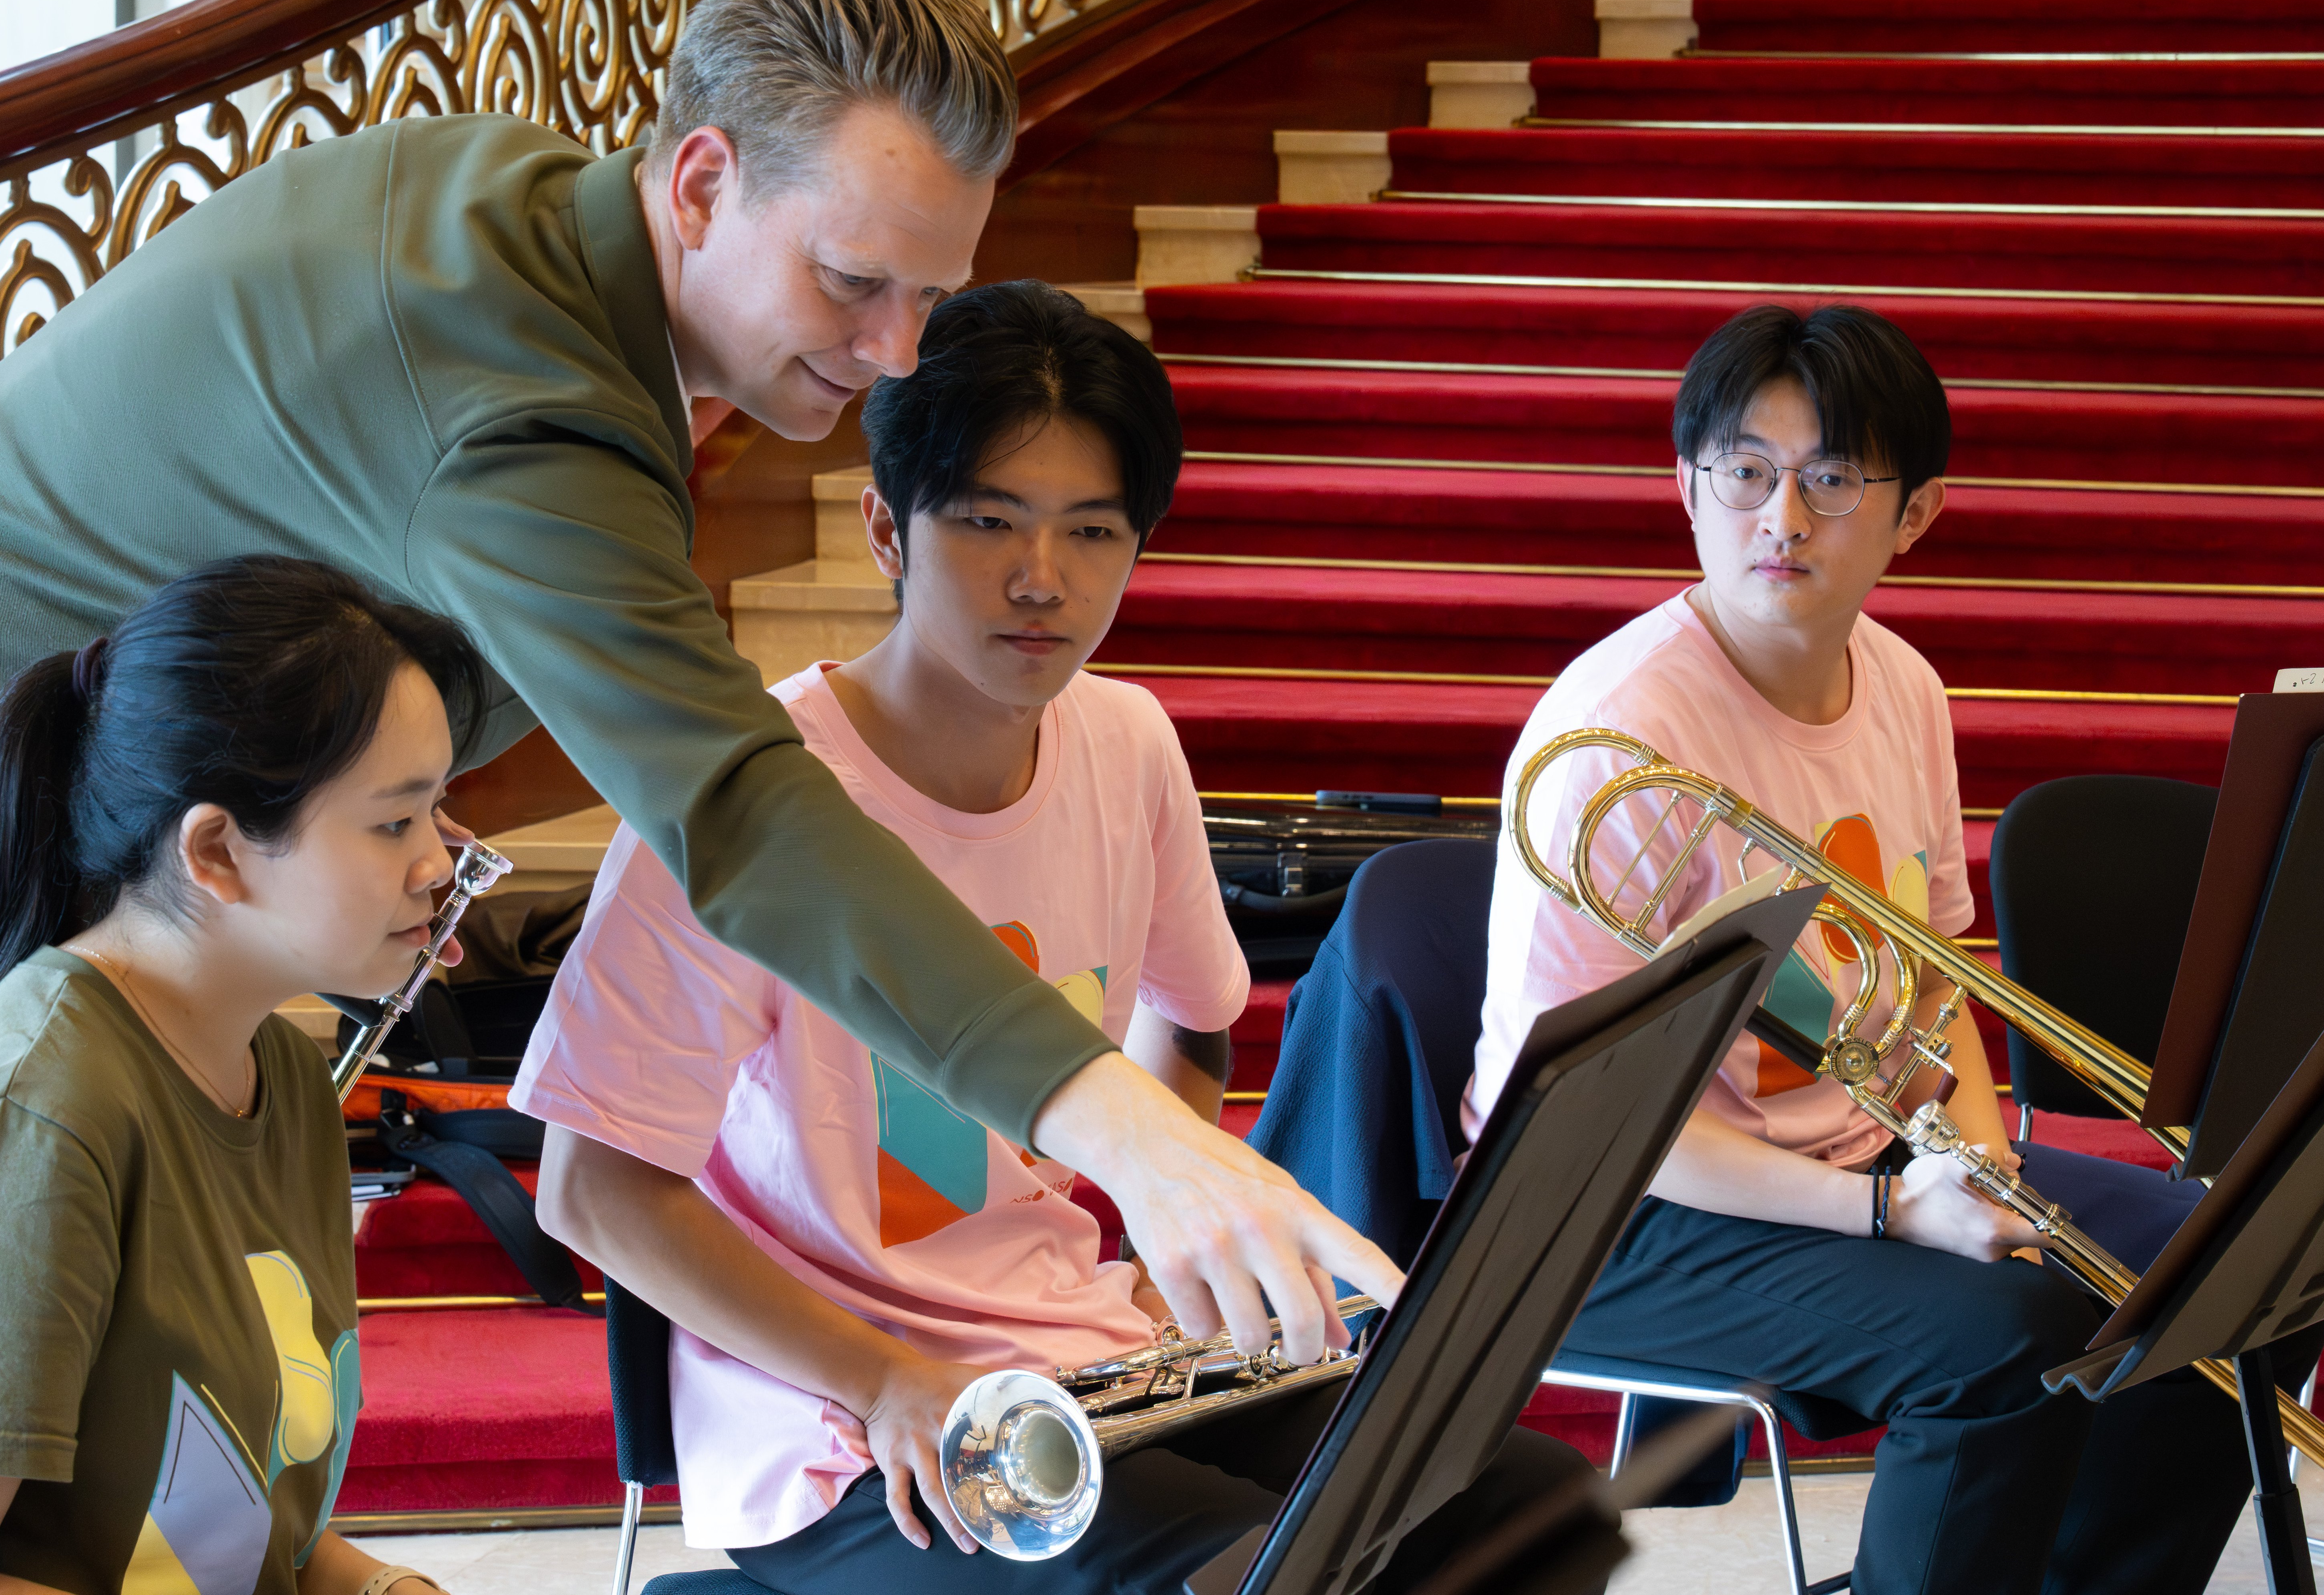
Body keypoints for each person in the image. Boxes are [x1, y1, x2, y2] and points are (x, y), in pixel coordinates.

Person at [0, 0, 1391, 1344]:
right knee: (100, 1383)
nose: (893, 354)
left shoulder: (535, 220)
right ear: (703, 180)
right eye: (854, 284)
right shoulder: (516, 403)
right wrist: (1109, 1122)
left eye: (931, 300)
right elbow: (734, 809)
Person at [515, 282, 1583, 1594]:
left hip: (1081, 1360)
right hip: (843, 1427)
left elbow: (1194, 1017)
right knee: (1250, 1572)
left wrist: (1143, 1231)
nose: (1044, 579)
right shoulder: (750, 801)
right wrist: (886, 1376)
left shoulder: (1128, 743)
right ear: (882, 529)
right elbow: (591, 1186)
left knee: (1522, 1502)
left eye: (1093, 530)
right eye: (986, 521)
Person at [1468, 302, 2323, 1595]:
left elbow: (1936, 988)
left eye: (1830, 479)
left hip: (1862, 1150)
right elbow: (1590, 1121)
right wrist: (1887, 1210)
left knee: (2256, 1271)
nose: (1783, 518)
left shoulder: (1905, 685)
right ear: (1685, 485)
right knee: (2008, 1337)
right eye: (1745, 473)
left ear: (1914, 512)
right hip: (1612, 1209)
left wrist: (1979, 1169)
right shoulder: (1615, 737)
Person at [0, 555, 489, 1595]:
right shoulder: (35, 1118)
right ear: (218, 851)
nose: (442, 862)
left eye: (437, 812)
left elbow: (235, 1524)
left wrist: (378, 1586)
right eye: (395, 821)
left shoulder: (279, 1074)